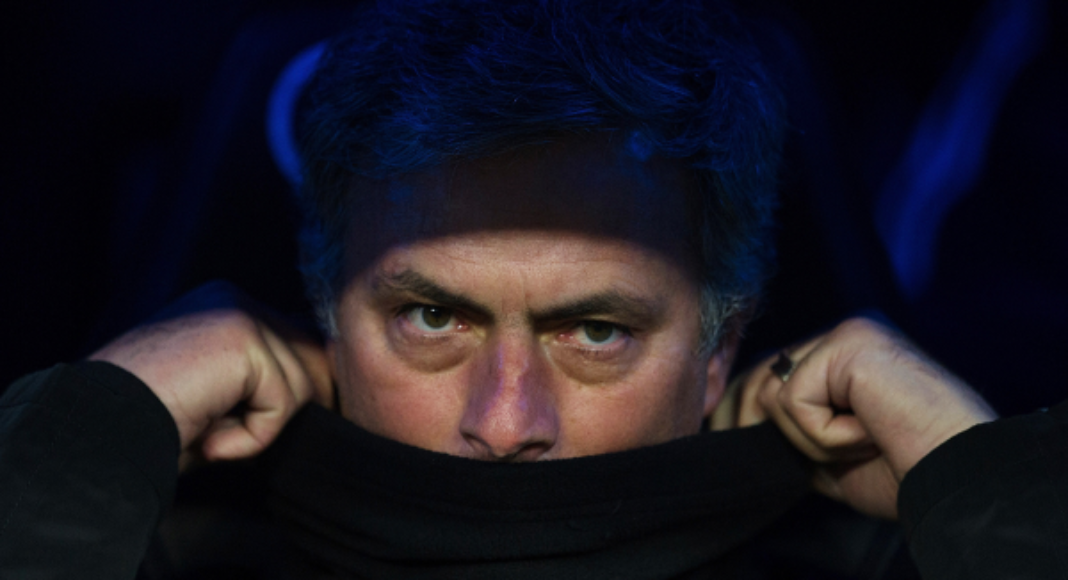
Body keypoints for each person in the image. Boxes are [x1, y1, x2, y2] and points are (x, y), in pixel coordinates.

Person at [1, 0, 1065, 578]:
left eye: (596, 331)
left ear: (720, 352)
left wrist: (975, 479)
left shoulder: (905, 556)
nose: (507, 423)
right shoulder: (141, 540)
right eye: (431, 318)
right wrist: (90, 431)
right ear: (328, 320)